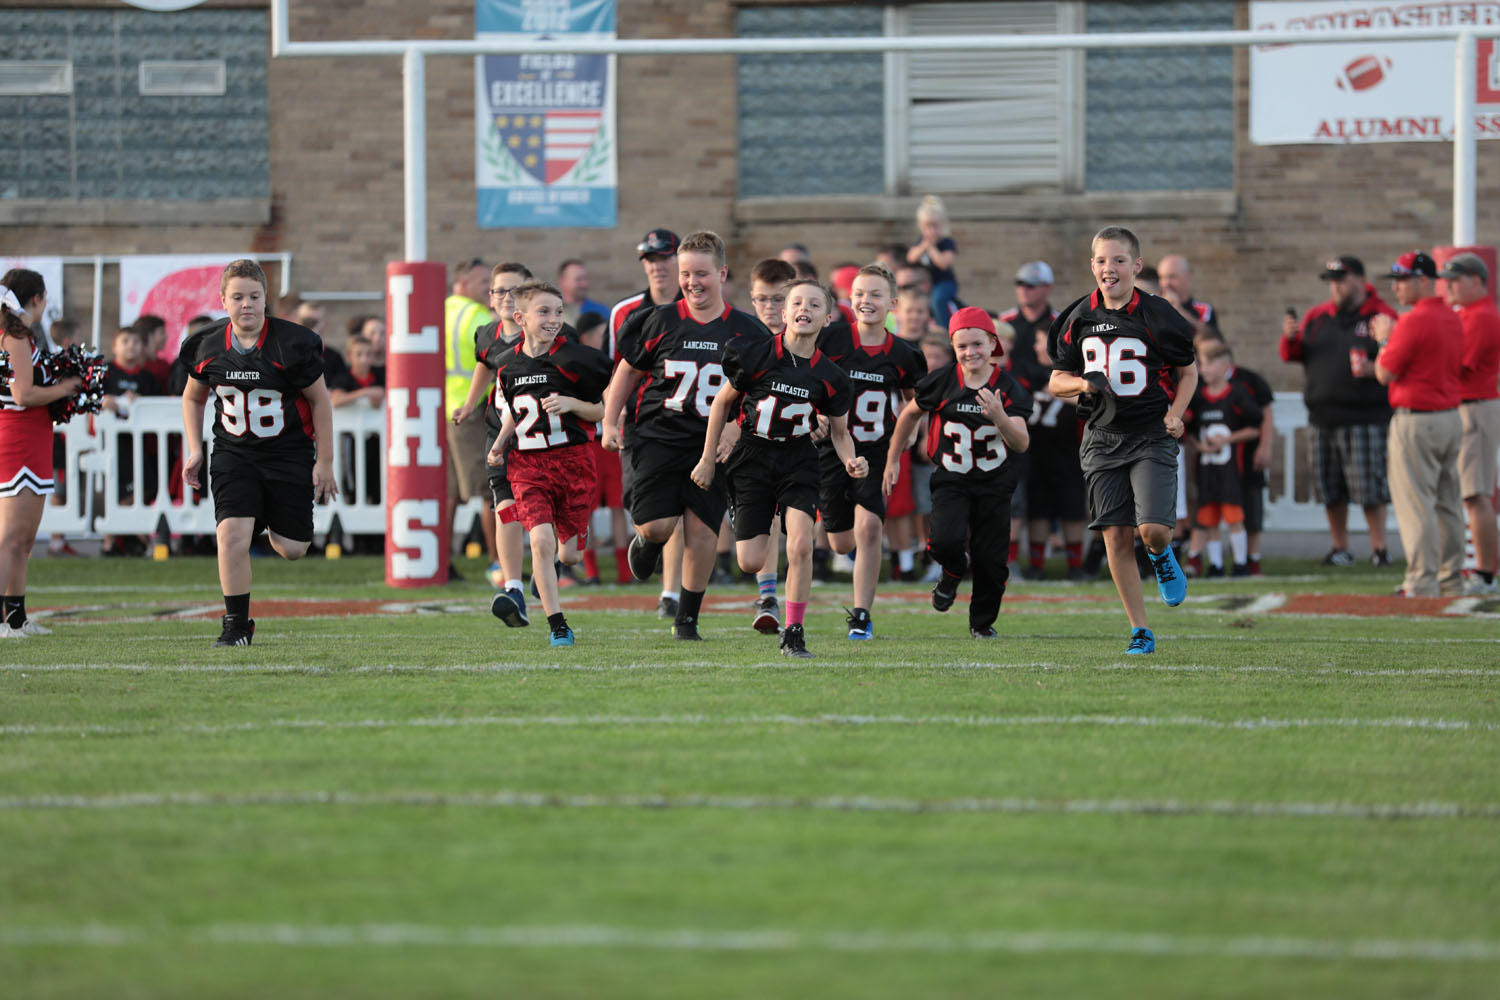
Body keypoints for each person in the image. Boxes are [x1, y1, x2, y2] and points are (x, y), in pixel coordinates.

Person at [602, 230, 770, 640]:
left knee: (701, 532)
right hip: (658, 435)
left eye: (702, 274)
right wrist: (610, 419)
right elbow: (628, 370)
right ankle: (646, 541)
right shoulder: (660, 319)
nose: (692, 282)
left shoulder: (748, 331)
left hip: (711, 446)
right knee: (659, 525)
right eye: (685, 274)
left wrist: (733, 429)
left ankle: (687, 619)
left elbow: (762, 393)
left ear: (723, 273)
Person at [692, 278, 862, 658]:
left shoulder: (832, 377)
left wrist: (850, 458)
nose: (805, 309)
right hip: (752, 455)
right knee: (750, 559)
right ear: (784, 313)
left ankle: (795, 631)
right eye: (797, 302)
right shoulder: (755, 355)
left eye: (815, 304)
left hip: (799, 459)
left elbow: (839, 432)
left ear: (828, 318)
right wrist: (707, 459)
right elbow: (721, 405)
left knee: (801, 544)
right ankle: (750, 525)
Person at [1048, 226, 1198, 655]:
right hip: (1101, 436)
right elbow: (1056, 380)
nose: (1108, 269)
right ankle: (1140, 629)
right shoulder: (1077, 317)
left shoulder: (1160, 314)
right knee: (1114, 535)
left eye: (1117, 260)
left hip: (1150, 432)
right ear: (1091, 265)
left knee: (1152, 530)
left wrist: (1176, 413)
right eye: (1100, 260)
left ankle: (1161, 555)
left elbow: (1188, 372)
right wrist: (1081, 385)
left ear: (1136, 265)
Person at [180, 259, 337, 647]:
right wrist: (194, 449)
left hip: (287, 452)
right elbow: (192, 396)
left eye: (254, 296)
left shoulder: (292, 343)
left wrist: (326, 461)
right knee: (231, 535)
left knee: (293, 548)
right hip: (234, 452)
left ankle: (267, 514)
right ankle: (236, 625)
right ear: (223, 300)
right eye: (237, 297)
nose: (246, 304)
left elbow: (320, 402)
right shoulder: (207, 344)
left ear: (266, 299)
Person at [885, 307, 1031, 638]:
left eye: (977, 344)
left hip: (994, 481)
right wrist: (894, 457)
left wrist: (1000, 417)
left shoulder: (1009, 388)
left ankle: (981, 623)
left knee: (991, 560)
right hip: (952, 476)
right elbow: (909, 413)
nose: (970, 352)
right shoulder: (941, 381)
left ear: (993, 342)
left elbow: (1021, 442)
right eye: (962, 346)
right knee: (942, 541)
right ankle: (952, 570)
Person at [486, 281, 612, 647]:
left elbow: (604, 408)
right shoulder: (507, 367)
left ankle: (567, 548)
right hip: (528, 465)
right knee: (539, 541)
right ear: (519, 318)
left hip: (573, 462)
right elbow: (513, 414)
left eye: (558, 311)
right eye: (544, 312)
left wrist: (572, 404)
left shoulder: (577, 358)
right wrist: (498, 446)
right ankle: (558, 624)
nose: (554, 319)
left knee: (568, 555)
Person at [818, 264, 927, 638]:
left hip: (876, 449)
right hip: (833, 447)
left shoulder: (905, 354)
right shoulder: (830, 339)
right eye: (860, 293)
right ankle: (843, 554)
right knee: (841, 540)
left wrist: (909, 437)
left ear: (892, 303)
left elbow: (915, 403)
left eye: (876, 294)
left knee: (869, 528)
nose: (866, 301)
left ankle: (861, 615)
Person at [1280, 254, 1397, 567]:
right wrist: (1290, 338)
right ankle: (1340, 547)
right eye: (1332, 281)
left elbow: (1396, 356)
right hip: (1323, 417)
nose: (1336, 286)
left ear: (1359, 280)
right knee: (1330, 490)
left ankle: (1380, 549)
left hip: (1365, 417)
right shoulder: (1318, 316)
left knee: (1370, 489)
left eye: (1342, 279)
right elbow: (1295, 355)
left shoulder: (1381, 315)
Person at [1370, 252, 1465, 598]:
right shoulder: (1453, 317)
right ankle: (1451, 578)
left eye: (1403, 279)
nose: (1396, 286)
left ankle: (1422, 581)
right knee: (1448, 501)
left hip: (1417, 419)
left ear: (1423, 280)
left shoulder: (1411, 321)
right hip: (1450, 417)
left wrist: (1384, 337)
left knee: (1417, 504)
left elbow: (1385, 373)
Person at [608, 228, 687, 618]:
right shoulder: (625, 312)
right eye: (650, 260)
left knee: (679, 510)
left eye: (664, 258)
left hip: (687, 424)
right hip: (639, 426)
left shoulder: (697, 307)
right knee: (644, 510)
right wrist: (613, 414)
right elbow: (617, 371)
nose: (657, 267)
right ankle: (646, 542)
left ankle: (671, 593)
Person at [453, 262, 536, 616]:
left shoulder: (542, 331)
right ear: (490, 296)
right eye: (499, 290)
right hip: (498, 431)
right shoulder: (486, 333)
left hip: (539, 435)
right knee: (503, 506)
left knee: (545, 514)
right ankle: (512, 586)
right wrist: (470, 403)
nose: (505, 298)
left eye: (514, 290)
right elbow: (484, 363)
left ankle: (561, 559)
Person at [0, 278, 82, 637]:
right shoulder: (14, 336)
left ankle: (15, 618)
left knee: (24, 540)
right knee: (11, 537)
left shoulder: (22, 335)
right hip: (17, 436)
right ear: (37, 298)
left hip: (32, 436)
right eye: (44, 297)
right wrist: (67, 387)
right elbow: (22, 393)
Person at [1439, 253, 1500, 594]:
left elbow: (1460, 365)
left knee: (1477, 495)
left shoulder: (1481, 317)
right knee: (1472, 494)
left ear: (1477, 280)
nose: (1449, 285)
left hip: (1475, 407)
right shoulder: (1472, 314)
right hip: (1472, 406)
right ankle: (1481, 569)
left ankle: (1485, 574)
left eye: (1456, 279)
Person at [1183, 339, 1262, 577]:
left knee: (1234, 517)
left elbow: (1254, 427)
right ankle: (1215, 565)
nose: (1202, 369)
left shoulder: (1237, 394)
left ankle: (1240, 563)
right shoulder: (1199, 397)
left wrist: (1228, 440)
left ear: (1223, 364)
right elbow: (1189, 431)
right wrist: (1199, 446)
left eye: (1206, 364)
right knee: (1209, 519)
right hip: (1207, 471)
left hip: (1230, 471)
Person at [1018, 325, 1088, 581]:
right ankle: (1036, 565)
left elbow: (1089, 402)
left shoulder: (1076, 374)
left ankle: (1076, 566)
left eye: (1041, 343)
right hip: (1036, 453)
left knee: (1072, 510)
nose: (1037, 348)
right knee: (1038, 511)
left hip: (1069, 453)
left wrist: (1063, 393)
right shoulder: (1029, 372)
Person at [444, 257, 494, 579]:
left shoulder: (443, 310)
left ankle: (442, 560)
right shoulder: (478, 316)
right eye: (482, 284)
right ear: (462, 283)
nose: (489, 291)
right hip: (473, 409)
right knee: (491, 488)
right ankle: (498, 563)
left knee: (450, 493)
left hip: (448, 407)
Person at [999, 260, 1059, 376]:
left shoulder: (1061, 324)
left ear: (1048, 287)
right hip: (1011, 389)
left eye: (1030, 285)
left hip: (1051, 389)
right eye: (1019, 284)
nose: (1023, 290)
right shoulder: (1003, 322)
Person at [906, 195, 960, 320]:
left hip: (945, 283)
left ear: (942, 225)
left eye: (935, 226)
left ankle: (945, 329)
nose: (931, 230)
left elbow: (944, 263)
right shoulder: (921, 242)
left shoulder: (947, 242)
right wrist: (923, 246)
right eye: (927, 227)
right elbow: (910, 258)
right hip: (926, 284)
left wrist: (931, 248)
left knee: (937, 301)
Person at [1157, 254, 1220, 338]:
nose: (1166, 283)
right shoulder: (1153, 307)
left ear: (1187, 277)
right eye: (1162, 277)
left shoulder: (1204, 310)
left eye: (1172, 277)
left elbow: (1212, 337)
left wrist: (1178, 310)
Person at [556, 259, 609, 329]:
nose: (584, 284)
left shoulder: (600, 311)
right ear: (563, 281)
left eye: (586, 278)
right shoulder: (551, 312)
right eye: (579, 279)